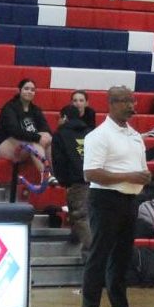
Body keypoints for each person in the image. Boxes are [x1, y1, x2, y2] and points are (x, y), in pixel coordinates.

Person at [78, 85, 152, 307]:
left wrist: (143, 177)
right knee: (99, 257)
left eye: (132, 101)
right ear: (110, 103)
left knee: (122, 260)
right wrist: (131, 175)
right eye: (123, 101)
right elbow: (91, 173)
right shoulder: (98, 136)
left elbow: (139, 170)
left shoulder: (135, 136)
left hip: (129, 201)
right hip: (105, 200)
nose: (130, 106)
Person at [0, 79, 52, 180]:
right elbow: (14, 131)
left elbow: (45, 128)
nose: (29, 92)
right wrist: (37, 137)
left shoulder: (35, 110)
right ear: (19, 91)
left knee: (49, 139)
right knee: (33, 143)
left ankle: (56, 174)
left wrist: (46, 136)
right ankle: (46, 176)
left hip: (25, 145)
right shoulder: (10, 108)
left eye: (32, 90)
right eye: (26, 89)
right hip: (4, 145)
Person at [51, 103, 91, 256]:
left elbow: (59, 161)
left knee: (80, 216)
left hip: (77, 182)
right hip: (97, 180)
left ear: (65, 117)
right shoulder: (90, 132)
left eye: (59, 118)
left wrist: (63, 181)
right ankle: (74, 238)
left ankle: (90, 252)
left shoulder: (61, 134)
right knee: (90, 215)